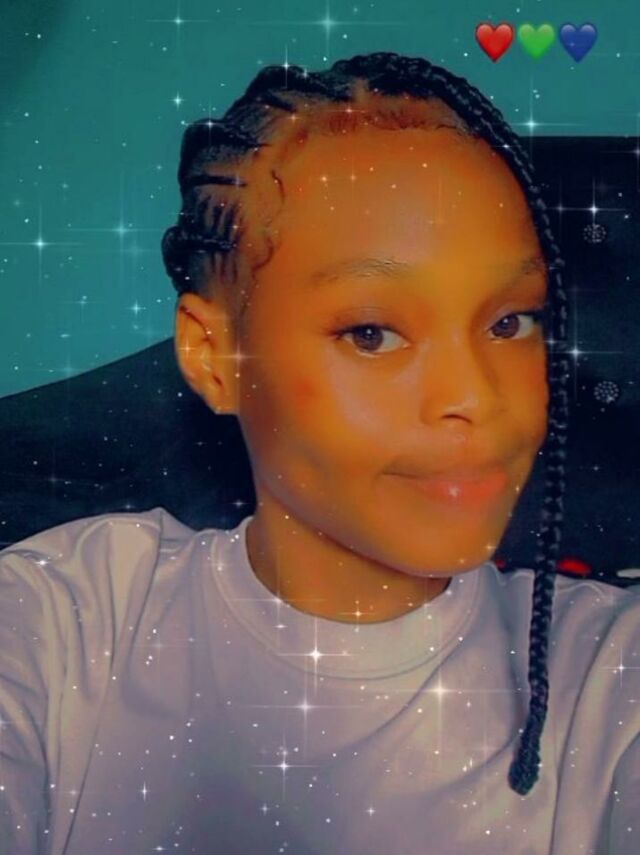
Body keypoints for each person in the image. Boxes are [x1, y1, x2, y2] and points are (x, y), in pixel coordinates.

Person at [1, 51, 638, 854]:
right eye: (371, 332)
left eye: (510, 322)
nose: (475, 396)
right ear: (214, 356)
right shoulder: (62, 624)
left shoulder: (611, 669)